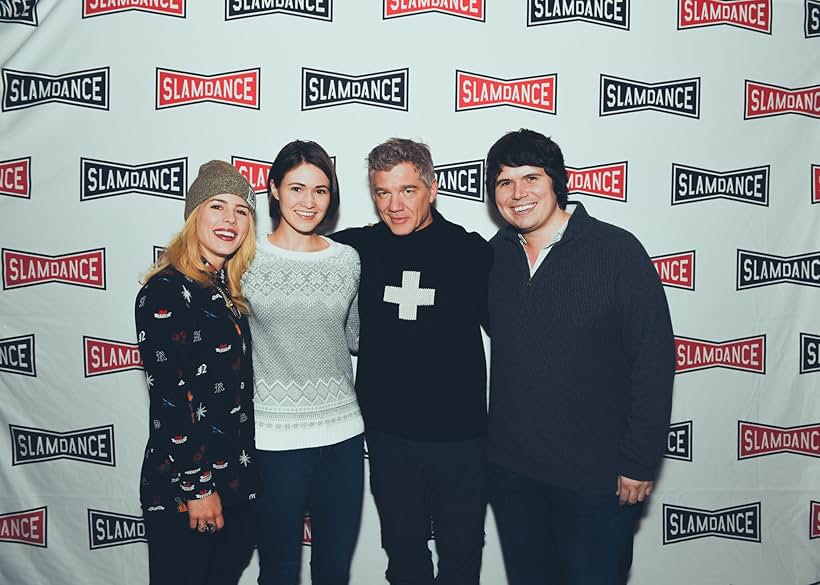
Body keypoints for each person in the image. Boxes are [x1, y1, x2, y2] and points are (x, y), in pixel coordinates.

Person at [483, 129, 676, 585]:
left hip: (597, 481)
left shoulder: (617, 252)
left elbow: (653, 360)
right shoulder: (493, 258)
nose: (518, 193)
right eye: (504, 182)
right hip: (514, 478)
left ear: (557, 182)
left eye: (531, 178)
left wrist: (638, 462)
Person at [330, 138, 492, 585]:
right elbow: (289, 252)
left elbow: (523, 330)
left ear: (432, 188)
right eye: (383, 192)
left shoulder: (473, 252)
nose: (394, 205)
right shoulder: (354, 251)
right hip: (389, 437)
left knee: (462, 557)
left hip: (460, 438)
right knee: (403, 557)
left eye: (407, 191)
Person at [243, 140, 364, 585]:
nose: (308, 202)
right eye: (297, 188)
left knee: (333, 571)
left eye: (321, 190)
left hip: (343, 438)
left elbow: (354, 337)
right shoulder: (245, 258)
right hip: (273, 439)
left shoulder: (347, 260)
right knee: (278, 571)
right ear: (273, 189)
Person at [134, 160, 258, 585]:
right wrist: (198, 488)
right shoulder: (166, 291)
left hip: (235, 485)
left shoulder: (227, 291)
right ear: (194, 216)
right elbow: (170, 400)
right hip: (185, 493)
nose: (230, 220)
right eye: (217, 206)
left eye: (242, 211)